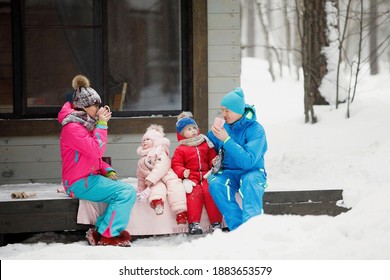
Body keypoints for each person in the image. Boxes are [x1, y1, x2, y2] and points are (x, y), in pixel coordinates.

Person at [58, 74, 136, 247]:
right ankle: (108, 234)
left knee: (125, 191)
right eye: (95, 105)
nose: (98, 109)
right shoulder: (73, 128)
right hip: (79, 182)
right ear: (84, 106)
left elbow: (93, 157)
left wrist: (106, 168)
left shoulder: (85, 124)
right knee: (126, 192)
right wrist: (102, 124)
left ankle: (99, 231)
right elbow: (96, 149)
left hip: (88, 178)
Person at [207, 87, 268, 231]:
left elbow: (248, 162)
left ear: (238, 110)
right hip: (229, 172)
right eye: (222, 110)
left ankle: (252, 228)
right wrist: (212, 157)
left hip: (252, 171)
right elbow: (210, 148)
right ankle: (238, 229)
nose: (223, 114)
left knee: (251, 183)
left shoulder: (256, 130)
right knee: (215, 184)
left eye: (227, 110)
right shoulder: (224, 127)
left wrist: (226, 140)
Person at [171, 112, 223, 235]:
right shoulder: (181, 149)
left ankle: (216, 223)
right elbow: (176, 164)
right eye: (189, 129)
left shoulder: (205, 143)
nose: (193, 131)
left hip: (206, 175)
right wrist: (183, 172)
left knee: (210, 192)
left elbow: (212, 157)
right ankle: (193, 224)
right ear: (182, 134)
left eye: (194, 128)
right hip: (192, 178)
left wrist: (213, 161)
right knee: (194, 195)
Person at [136, 124, 188, 225]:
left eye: (148, 139)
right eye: (144, 140)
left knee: (175, 187)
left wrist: (151, 178)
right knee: (157, 188)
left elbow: (162, 166)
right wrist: (140, 189)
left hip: (167, 176)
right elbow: (141, 176)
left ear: (156, 141)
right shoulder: (142, 160)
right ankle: (157, 203)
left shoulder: (160, 152)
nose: (145, 141)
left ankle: (180, 212)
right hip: (155, 180)